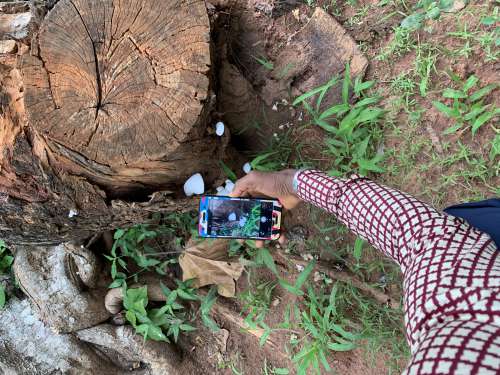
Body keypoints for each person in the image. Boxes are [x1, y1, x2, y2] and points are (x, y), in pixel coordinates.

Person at [230, 169, 500, 375]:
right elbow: (428, 237)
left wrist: (296, 182)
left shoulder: (461, 349)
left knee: (466, 223)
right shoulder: (461, 327)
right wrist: (296, 182)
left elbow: (428, 236)